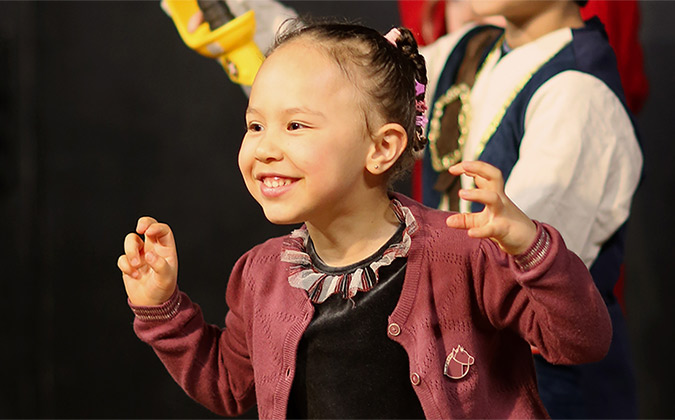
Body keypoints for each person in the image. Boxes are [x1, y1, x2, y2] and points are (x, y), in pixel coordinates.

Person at [118, 20, 612, 419]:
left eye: (295, 125)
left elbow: (581, 341)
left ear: (381, 148)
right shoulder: (260, 275)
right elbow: (229, 387)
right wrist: (164, 311)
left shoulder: (464, 256)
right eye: (254, 125)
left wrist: (531, 247)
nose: (265, 148)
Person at [418, 1, 643, 418]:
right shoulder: (471, 50)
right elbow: (346, 86)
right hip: (465, 368)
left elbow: (521, 287)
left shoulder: (578, 91)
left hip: (544, 386)